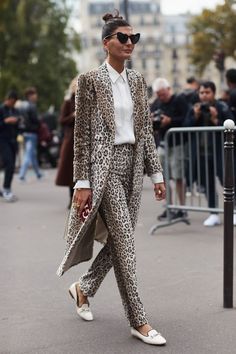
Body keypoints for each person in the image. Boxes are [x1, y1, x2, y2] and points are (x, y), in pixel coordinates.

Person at [57, 10, 167, 346]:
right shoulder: (89, 81)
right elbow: (82, 137)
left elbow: (145, 131)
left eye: (134, 37)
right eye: (123, 37)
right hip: (103, 171)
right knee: (127, 246)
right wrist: (81, 181)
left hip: (133, 168)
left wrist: (156, 171)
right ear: (107, 43)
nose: (129, 42)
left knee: (120, 241)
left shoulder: (137, 81)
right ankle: (139, 320)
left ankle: (84, 288)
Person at [185, 81, 233, 226]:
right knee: (207, 184)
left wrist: (216, 119)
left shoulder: (221, 107)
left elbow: (231, 127)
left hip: (220, 152)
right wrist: (195, 116)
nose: (204, 96)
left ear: (213, 93)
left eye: (207, 92)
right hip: (202, 154)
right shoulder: (195, 108)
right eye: (201, 93)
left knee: (227, 182)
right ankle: (213, 213)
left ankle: (234, 211)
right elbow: (185, 126)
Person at [150, 78, 189, 221]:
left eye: (163, 94)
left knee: (178, 177)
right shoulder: (156, 103)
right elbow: (151, 120)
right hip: (162, 144)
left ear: (169, 89)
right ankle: (169, 207)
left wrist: (170, 121)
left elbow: (187, 119)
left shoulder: (179, 100)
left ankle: (182, 208)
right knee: (163, 178)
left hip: (178, 144)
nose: (161, 97)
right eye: (159, 95)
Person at [55, 77, 77, 208]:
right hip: (71, 141)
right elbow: (61, 120)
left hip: (86, 140)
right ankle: (72, 199)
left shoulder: (88, 101)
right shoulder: (68, 102)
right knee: (70, 172)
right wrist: (72, 116)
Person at [18, 87, 42, 181]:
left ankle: (38, 173)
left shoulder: (22, 106)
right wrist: (39, 123)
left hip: (24, 133)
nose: (36, 96)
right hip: (32, 133)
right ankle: (22, 175)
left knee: (32, 154)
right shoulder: (32, 106)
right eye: (35, 94)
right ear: (30, 95)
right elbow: (36, 120)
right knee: (29, 154)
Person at [0, 91, 19, 202]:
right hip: (3, 140)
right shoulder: (1, 109)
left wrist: (17, 121)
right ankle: (6, 189)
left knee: (11, 166)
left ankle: (7, 188)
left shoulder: (15, 110)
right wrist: (6, 121)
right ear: (9, 99)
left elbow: (19, 124)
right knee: (9, 164)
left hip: (13, 140)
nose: (13, 104)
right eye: (12, 102)